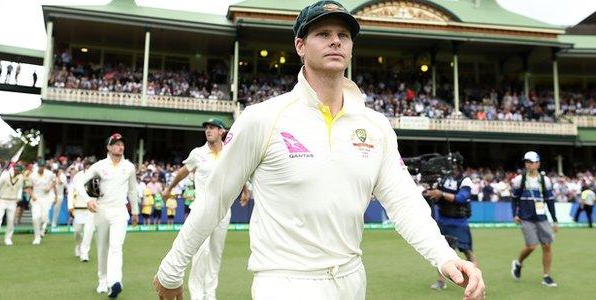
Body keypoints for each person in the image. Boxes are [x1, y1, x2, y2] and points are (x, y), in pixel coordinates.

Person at [153, 2, 485, 300]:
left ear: (352, 47)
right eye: (323, 33)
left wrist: (444, 256)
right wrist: (171, 269)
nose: (335, 40)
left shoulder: (376, 125)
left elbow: (404, 203)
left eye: (344, 34)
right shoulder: (262, 118)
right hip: (284, 283)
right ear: (300, 45)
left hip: (352, 280)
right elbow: (214, 198)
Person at [159, 118, 250, 300]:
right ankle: (197, 294)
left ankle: (210, 294)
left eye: (212, 128)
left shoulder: (230, 152)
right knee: (201, 252)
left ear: (221, 131)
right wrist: (169, 188)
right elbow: (184, 171)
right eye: (206, 128)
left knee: (215, 254)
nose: (208, 131)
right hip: (201, 209)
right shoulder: (198, 153)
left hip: (223, 211)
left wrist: (246, 190)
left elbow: (240, 172)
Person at [77, 133, 139, 298]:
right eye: (116, 144)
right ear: (109, 147)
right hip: (102, 210)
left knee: (116, 247)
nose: (120, 146)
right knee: (103, 247)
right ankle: (102, 280)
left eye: (122, 144)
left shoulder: (129, 167)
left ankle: (115, 282)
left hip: (120, 211)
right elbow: (80, 184)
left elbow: (133, 190)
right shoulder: (99, 166)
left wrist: (135, 211)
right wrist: (89, 199)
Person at [424, 153, 478, 290]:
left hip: (459, 222)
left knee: (467, 251)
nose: (449, 167)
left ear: (457, 164)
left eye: (452, 164)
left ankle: (475, 278)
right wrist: (431, 194)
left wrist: (441, 194)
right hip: (443, 220)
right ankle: (441, 281)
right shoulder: (443, 179)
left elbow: (461, 198)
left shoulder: (465, 181)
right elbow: (437, 196)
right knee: (441, 251)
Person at [511, 151, 559, 287]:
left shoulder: (545, 180)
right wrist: (514, 214)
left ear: (538, 163)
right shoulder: (520, 180)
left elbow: (550, 201)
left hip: (542, 218)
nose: (528, 164)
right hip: (526, 218)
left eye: (531, 162)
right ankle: (518, 263)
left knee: (547, 245)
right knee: (531, 246)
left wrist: (554, 220)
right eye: (526, 162)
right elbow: (514, 199)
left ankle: (546, 276)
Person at [67, 160, 96, 262]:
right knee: (77, 231)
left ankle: (85, 253)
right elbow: (71, 191)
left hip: (91, 209)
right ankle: (78, 245)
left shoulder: (97, 178)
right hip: (79, 208)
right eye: (88, 167)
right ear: (84, 168)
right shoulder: (78, 177)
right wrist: (70, 205)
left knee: (88, 232)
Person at [0, 165, 25, 247]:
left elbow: (20, 187)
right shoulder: (5, 175)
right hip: (2, 200)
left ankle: (8, 238)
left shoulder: (20, 177)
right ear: (14, 169)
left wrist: (19, 197)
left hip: (12, 201)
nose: (18, 172)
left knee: (11, 221)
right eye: (17, 171)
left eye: (19, 171)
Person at [30, 160, 57, 244]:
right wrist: (32, 195)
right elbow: (28, 187)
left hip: (46, 198)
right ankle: (37, 237)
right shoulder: (32, 175)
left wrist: (49, 187)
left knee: (44, 218)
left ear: (44, 166)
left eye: (43, 166)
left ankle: (42, 230)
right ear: (38, 166)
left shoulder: (49, 174)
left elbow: (54, 182)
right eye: (40, 166)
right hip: (36, 198)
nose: (41, 168)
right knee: (35, 217)